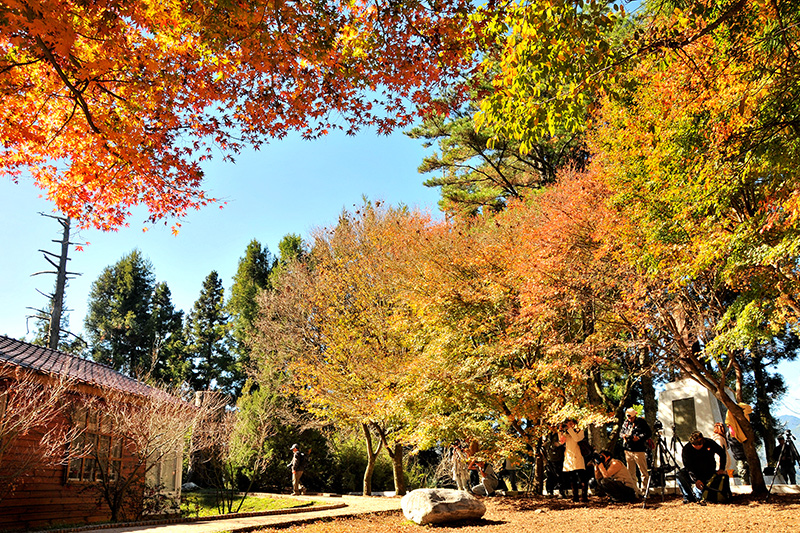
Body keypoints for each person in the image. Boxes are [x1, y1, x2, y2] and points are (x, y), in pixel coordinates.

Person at [679, 431, 728, 504]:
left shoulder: (710, 443)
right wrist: (696, 479)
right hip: (694, 472)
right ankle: (688, 497)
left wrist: (721, 468)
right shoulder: (687, 449)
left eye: (700, 444)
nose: (698, 446)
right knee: (680, 475)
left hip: (709, 470)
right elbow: (688, 466)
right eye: (695, 445)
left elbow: (722, 453)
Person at [620, 408, 652, 495]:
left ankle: (645, 491)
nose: (629, 419)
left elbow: (648, 433)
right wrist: (624, 436)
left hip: (639, 449)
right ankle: (634, 491)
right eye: (628, 417)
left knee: (643, 471)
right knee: (631, 472)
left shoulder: (641, 422)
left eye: (631, 417)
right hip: (628, 450)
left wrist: (638, 438)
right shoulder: (625, 423)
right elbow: (621, 433)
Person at [559, 418, 588, 503]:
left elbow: (577, 439)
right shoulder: (567, 433)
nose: (569, 425)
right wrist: (560, 431)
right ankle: (575, 496)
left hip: (578, 457)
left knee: (582, 478)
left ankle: (584, 496)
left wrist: (570, 429)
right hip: (569, 458)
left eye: (571, 423)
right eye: (568, 424)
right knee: (572, 479)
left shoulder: (580, 431)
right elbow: (561, 441)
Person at [544, 427, 566, 497]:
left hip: (558, 457)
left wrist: (555, 444)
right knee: (549, 475)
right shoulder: (548, 434)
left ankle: (561, 492)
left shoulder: (559, 433)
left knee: (559, 475)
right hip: (549, 458)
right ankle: (549, 491)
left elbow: (561, 443)